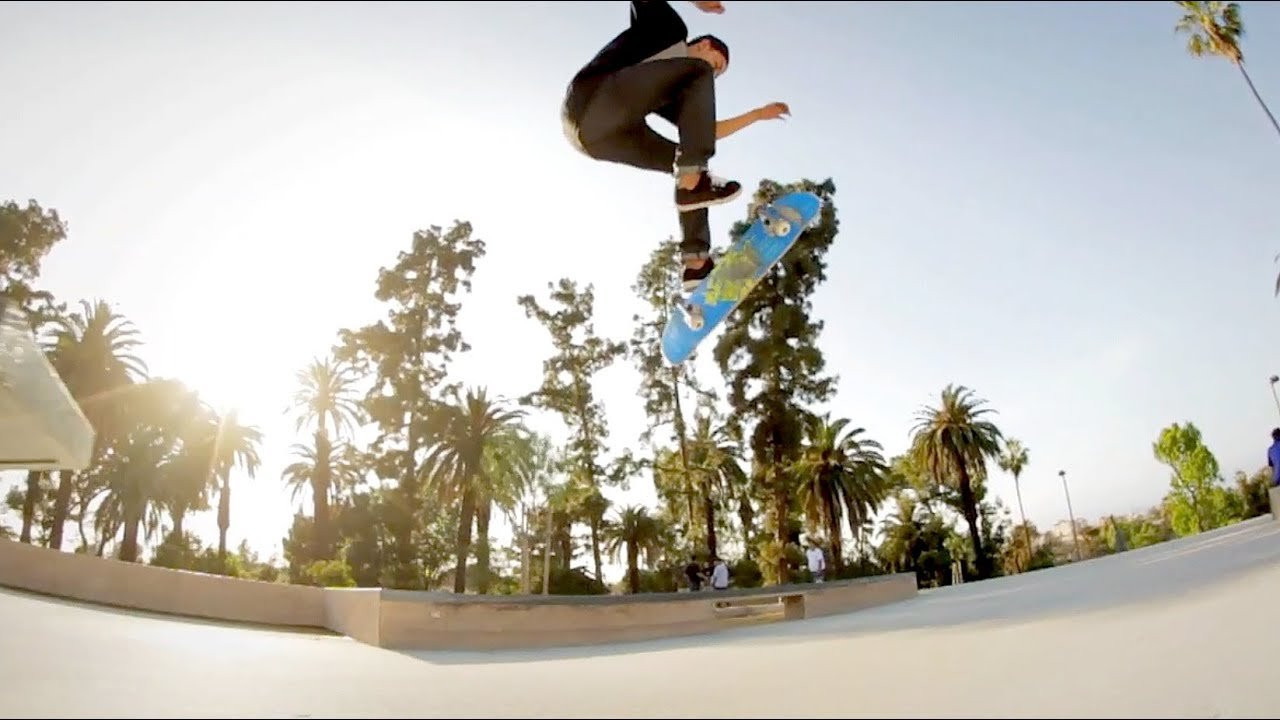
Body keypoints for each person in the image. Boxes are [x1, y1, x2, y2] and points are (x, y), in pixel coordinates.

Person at [560, 0, 791, 293]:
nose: (712, 76)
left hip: (597, 140)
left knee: (687, 165)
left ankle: (696, 263)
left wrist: (757, 114)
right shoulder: (668, 30)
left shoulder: (674, 89)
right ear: (703, 44)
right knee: (692, 161)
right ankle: (692, 182)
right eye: (715, 66)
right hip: (592, 98)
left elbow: (707, 131)